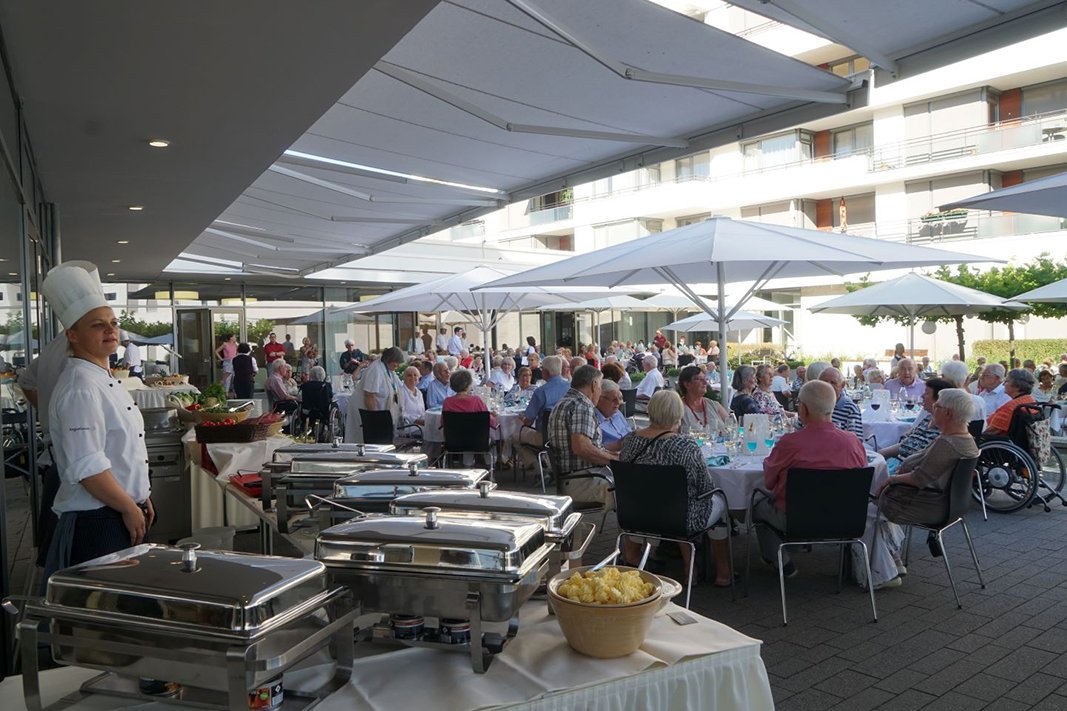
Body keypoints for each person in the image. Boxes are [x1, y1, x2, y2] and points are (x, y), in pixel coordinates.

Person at [40, 261, 155, 576]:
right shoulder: (81, 387)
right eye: (97, 325)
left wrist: (141, 496)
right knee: (110, 604)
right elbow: (88, 468)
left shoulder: (101, 377)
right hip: (98, 521)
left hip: (120, 509)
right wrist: (129, 506)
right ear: (72, 335)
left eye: (113, 323)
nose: (110, 330)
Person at [752, 381, 868, 577]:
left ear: (803, 409)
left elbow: (770, 482)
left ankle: (780, 561)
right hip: (846, 518)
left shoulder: (790, 443)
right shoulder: (852, 442)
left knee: (757, 504)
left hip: (795, 519)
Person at [618, 390, 733, 586]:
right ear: (678, 414)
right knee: (718, 500)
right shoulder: (685, 445)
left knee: (673, 500)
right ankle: (723, 572)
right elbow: (705, 487)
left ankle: (639, 556)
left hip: (636, 514)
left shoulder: (630, 440)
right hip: (680, 517)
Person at [879, 389, 980, 543]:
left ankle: (878, 555)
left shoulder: (947, 444)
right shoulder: (965, 439)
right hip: (954, 505)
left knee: (868, 507)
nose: (933, 409)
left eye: (937, 406)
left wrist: (892, 479)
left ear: (948, 413)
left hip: (922, 506)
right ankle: (889, 551)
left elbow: (919, 478)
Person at [547, 365, 618, 507]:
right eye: (600, 387)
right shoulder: (581, 405)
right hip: (581, 480)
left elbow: (586, 446)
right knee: (634, 488)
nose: (600, 392)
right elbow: (582, 448)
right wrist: (616, 461)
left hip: (573, 478)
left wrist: (613, 455)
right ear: (594, 384)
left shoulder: (564, 402)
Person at [879, 378, 955, 474]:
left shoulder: (944, 429)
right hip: (897, 464)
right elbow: (907, 444)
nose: (922, 396)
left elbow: (924, 462)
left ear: (939, 400)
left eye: (927, 393)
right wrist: (881, 453)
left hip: (906, 472)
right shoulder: (928, 418)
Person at [515, 355, 569, 467]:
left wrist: (521, 418)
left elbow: (528, 422)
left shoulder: (541, 392)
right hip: (569, 436)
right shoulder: (571, 387)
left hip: (547, 437)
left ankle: (537, 467)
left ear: (546, 372)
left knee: (515, 436)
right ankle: (545, 463)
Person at [345, 346, 404, 444]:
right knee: (364, 442)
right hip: (367, 412)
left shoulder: (389, 370)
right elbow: (369, 395)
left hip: (382, 414)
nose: (397, 365)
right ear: (390, 360)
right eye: (396, 362)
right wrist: (375, 419)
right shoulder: (376, 369)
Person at [677, 365, 728, 437]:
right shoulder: (678, 409)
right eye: (699, 379)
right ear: (687, 384)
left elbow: (731, 425)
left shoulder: (714, 405)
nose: (705, 382)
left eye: (705, 379)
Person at [984, 368, 1036, 437]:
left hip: (1001, 440)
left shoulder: (1011, 407)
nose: (1003, 384)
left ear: (1017, 386)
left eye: (1006, 381)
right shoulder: (1031, 400)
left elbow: (991, 431)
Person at [819, 367, 863, 441]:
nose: (828, 385)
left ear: (842, 385)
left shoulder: (850, 409)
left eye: (833, 382)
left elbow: (856, 441)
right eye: (824, 382)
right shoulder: (811, 404)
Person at [940, 359, 986, 423]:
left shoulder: (939, 400)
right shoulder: (979, 401)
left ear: (943, 377)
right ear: (967, 379)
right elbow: (983, 425)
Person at [595, 380, 629, 450]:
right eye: (614, 400)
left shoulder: (617, 413)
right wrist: (619, 444)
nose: (618, 403)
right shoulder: (593, 420)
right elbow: (595, 450)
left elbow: (629, 431)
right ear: (599, 400)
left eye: (620, 398)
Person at [298, 365, 334, 430]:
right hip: (323, 412)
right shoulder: (327, 385)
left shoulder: (305, 385)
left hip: (307, 411)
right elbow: (330, 396)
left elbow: (300, 398)